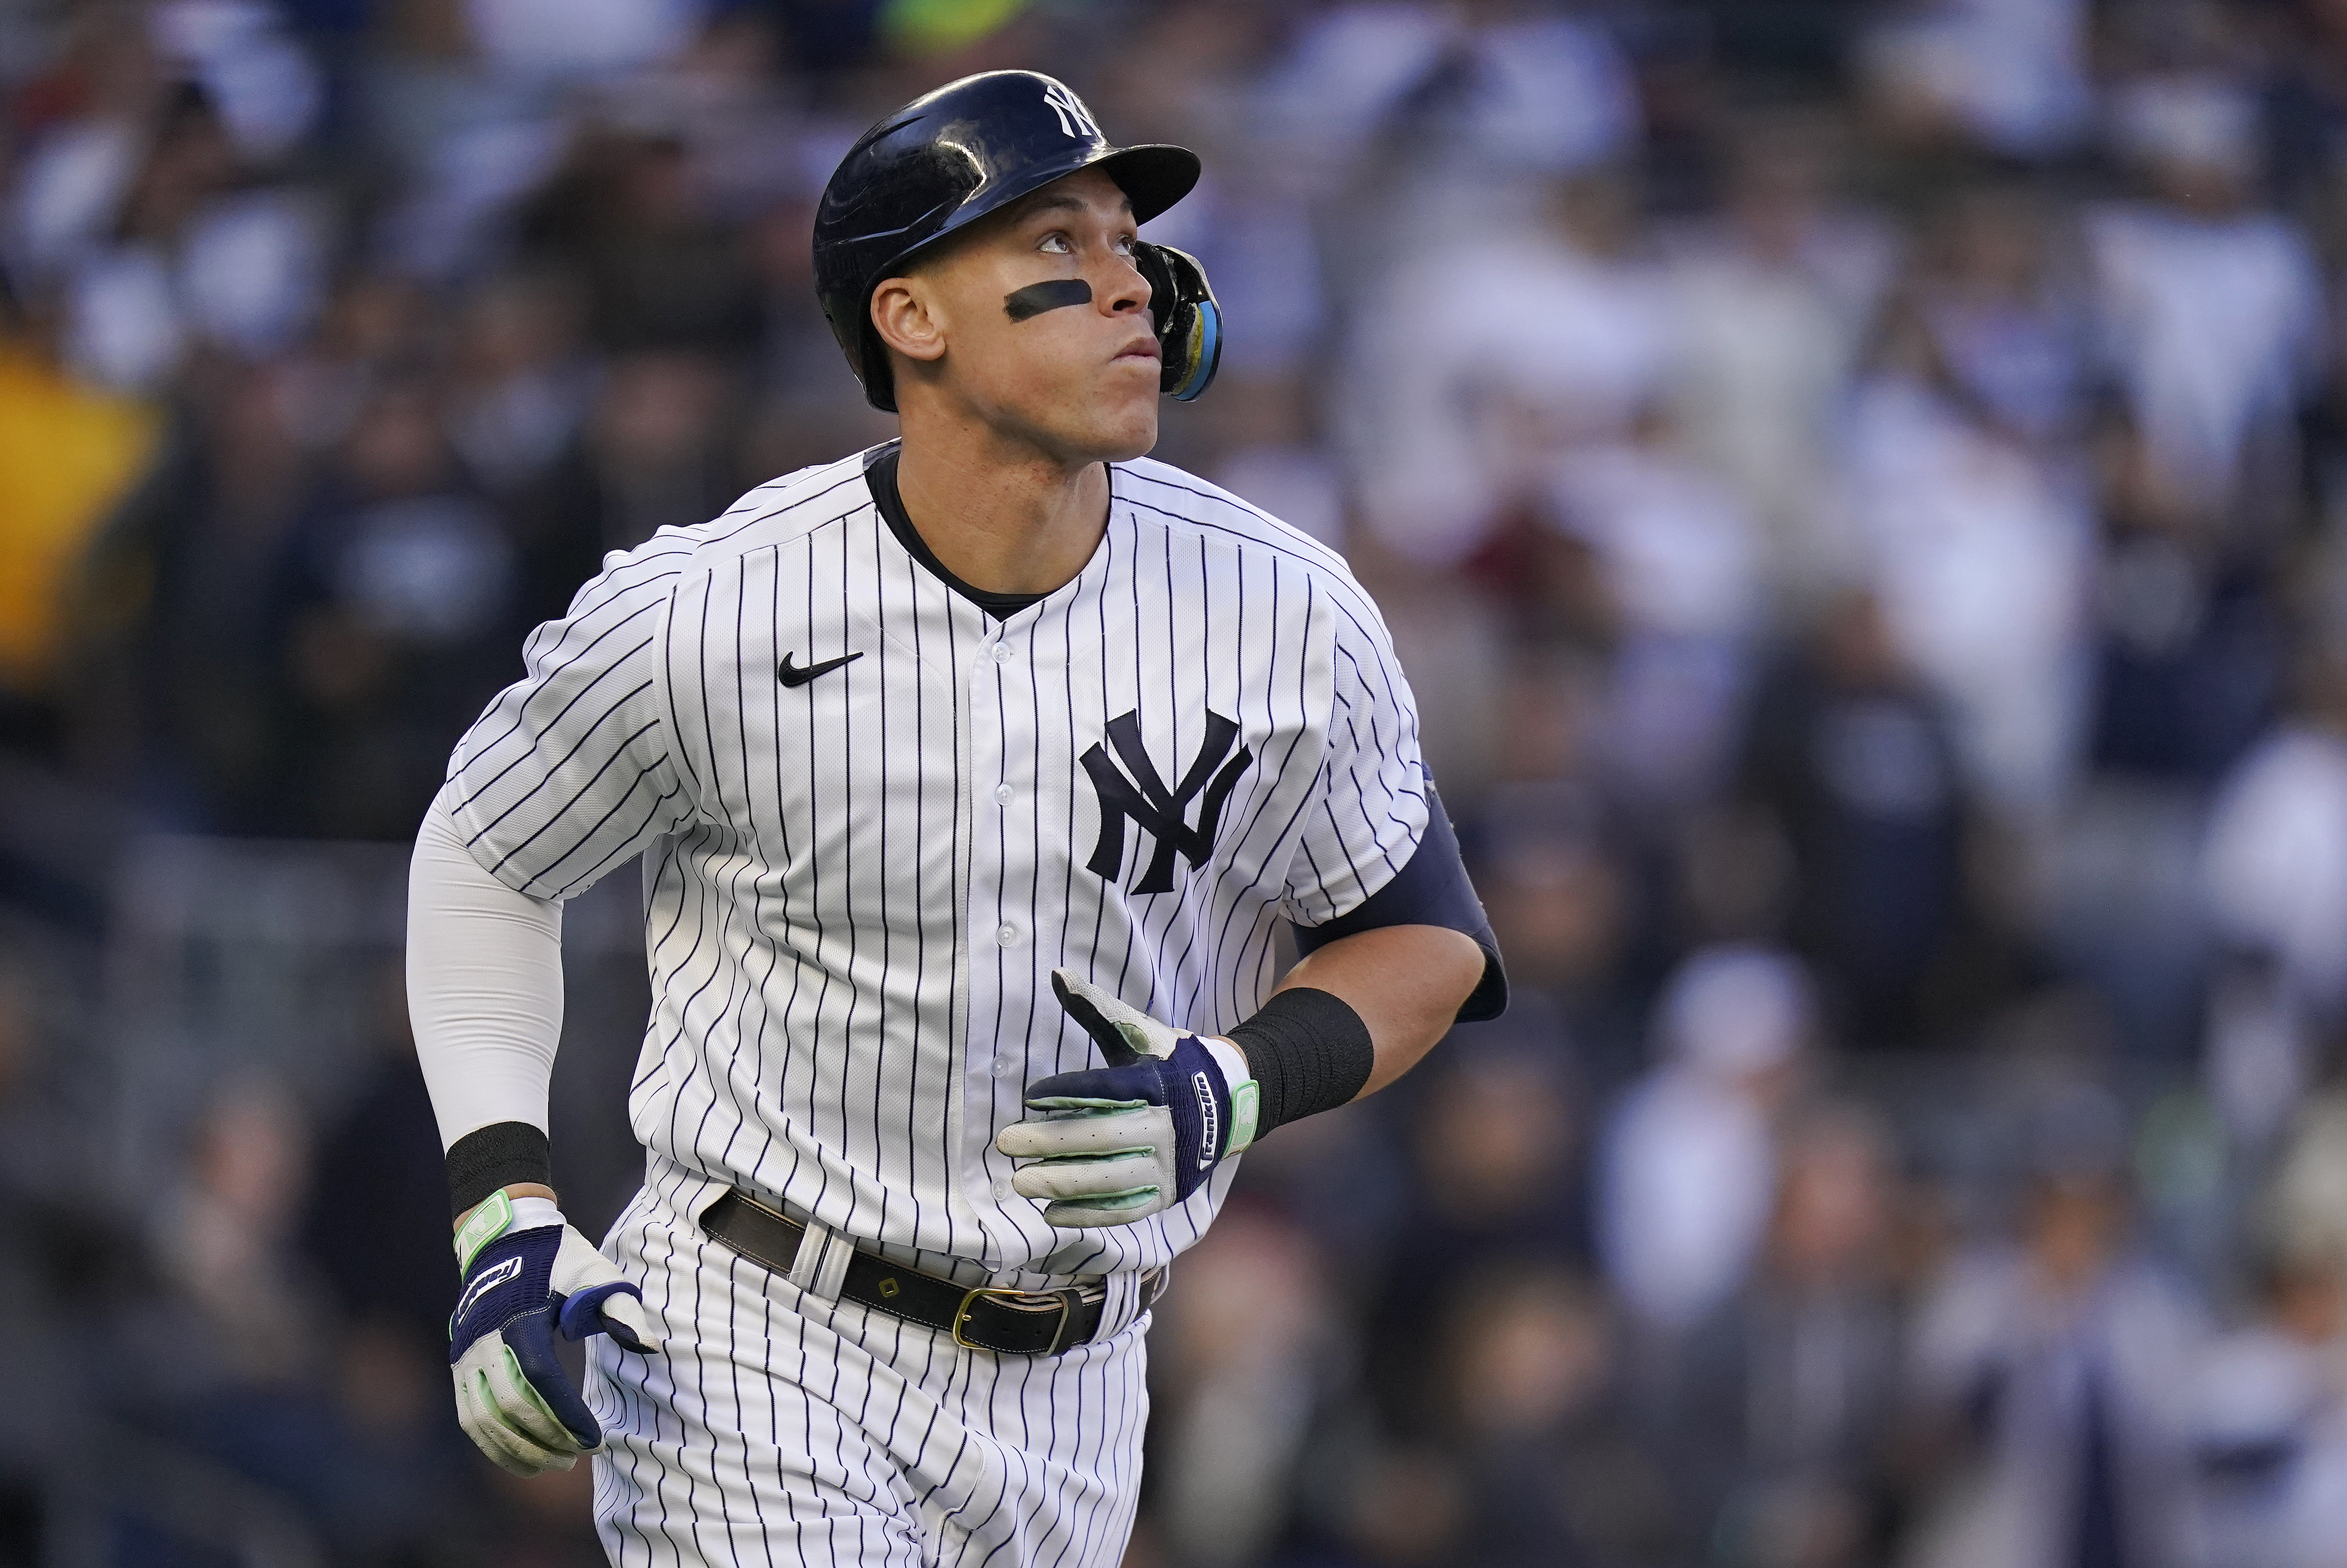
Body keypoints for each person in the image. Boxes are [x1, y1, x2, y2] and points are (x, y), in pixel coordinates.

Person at [403, 70, 1502, 1567]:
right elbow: (485, 858)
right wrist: (500, 1211)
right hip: (754, 1335)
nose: (1131, 287)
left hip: (1082, 1387)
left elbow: (1424, 941)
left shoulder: (1287, 612)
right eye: (1058, 247)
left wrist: (1232, 1088)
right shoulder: (709, 607)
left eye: (1132, 245)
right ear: (911, 318)